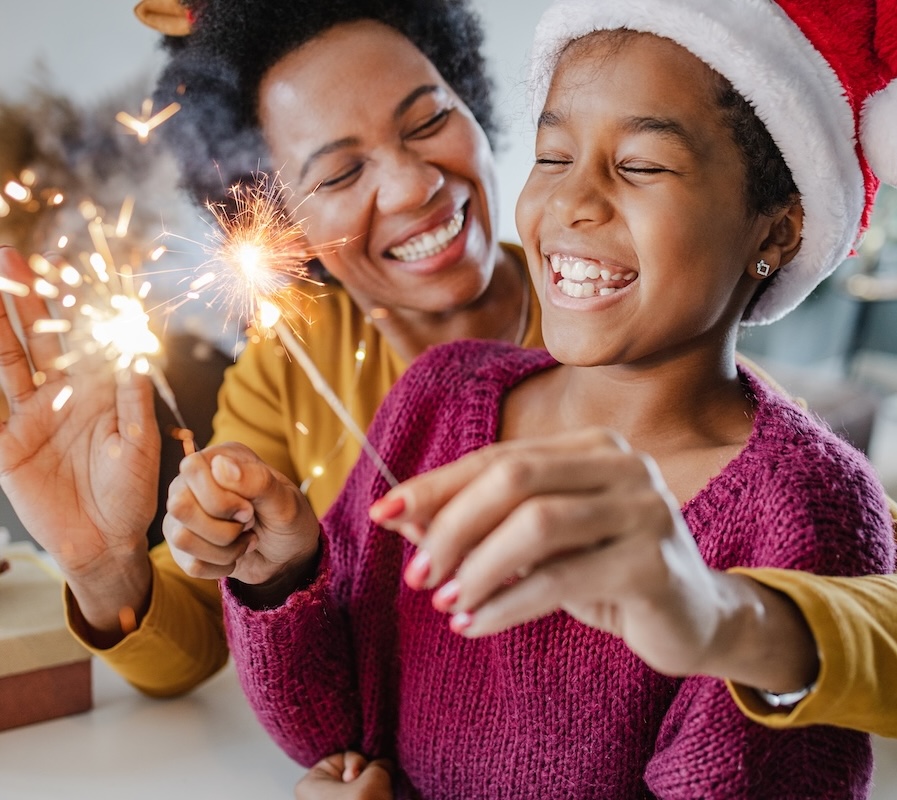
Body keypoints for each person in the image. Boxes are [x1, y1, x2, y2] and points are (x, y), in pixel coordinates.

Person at [161, 0, 896, 796]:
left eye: (643, 165)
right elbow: (338, 731)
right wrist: (282, 574)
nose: (572, 202)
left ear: (776, 230)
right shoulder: (439, 397)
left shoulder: (801, 507)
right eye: (552, 156)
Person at [0, 0, 542, 699]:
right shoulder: (289, 364)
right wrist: (102, 566)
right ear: (278, 216)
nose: (414, 186)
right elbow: (191, 650)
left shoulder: (608, 313)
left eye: (430, 120)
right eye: (340, 174)